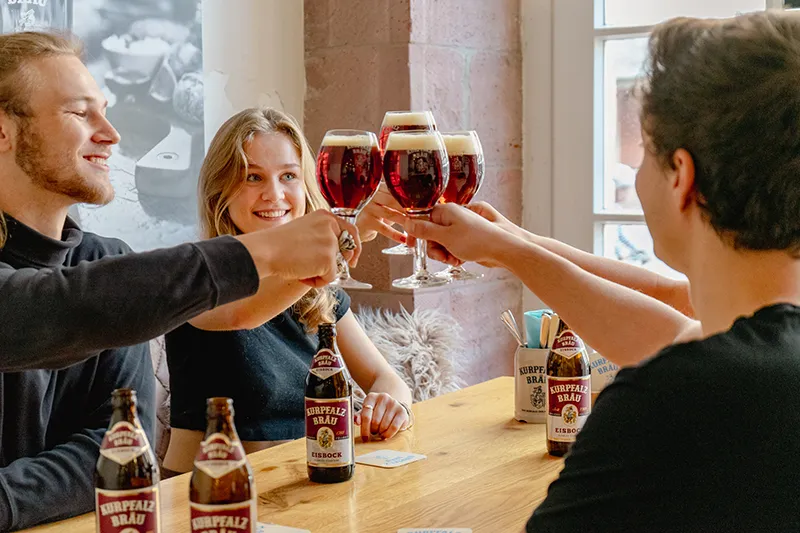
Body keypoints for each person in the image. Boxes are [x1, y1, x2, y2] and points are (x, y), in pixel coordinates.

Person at [385, 10, 800, 531]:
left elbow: (683, 348)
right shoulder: (756, 360)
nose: (635, 173)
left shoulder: (668, 402)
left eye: (645, 155)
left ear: (682, 178)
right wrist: (516, 245)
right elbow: (676, 326)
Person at [0, 32, 361, 531]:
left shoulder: (108, 264)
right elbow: (40, 311)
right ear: (3, 131)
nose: (111, 133)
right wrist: (270, 250)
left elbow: (116, 452)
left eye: (104, 110)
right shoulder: (108, 290)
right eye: (80, 113)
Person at [162, 108, 413, 473]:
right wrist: (339, 242)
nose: (274, 194)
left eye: (289, 176)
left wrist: (392, 406)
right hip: (210, 497)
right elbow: (241, 315)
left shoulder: (316, 294)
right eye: (253, 177)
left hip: (305, 484)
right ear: (221, 192)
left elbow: (384, 377)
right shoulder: (193, 274)